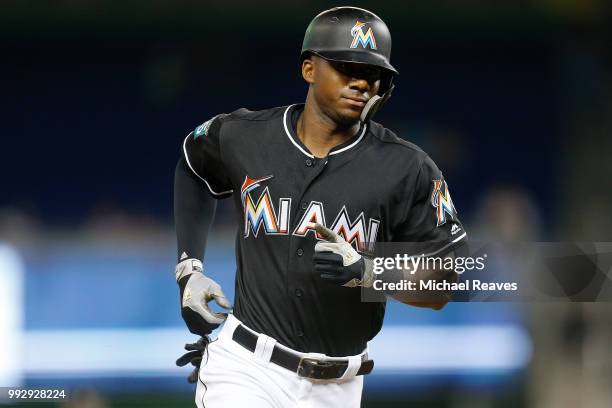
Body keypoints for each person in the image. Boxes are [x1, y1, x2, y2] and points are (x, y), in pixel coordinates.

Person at [174, 6, 466, 408]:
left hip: (339, 388)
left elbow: (448, 279)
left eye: (373, 74)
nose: (362, 82)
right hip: (245, 369)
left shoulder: (407, 168)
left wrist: (371, 270)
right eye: (347, 67)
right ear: (309, 69)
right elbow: (192, 165)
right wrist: (189, 269)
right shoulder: (245, 135)